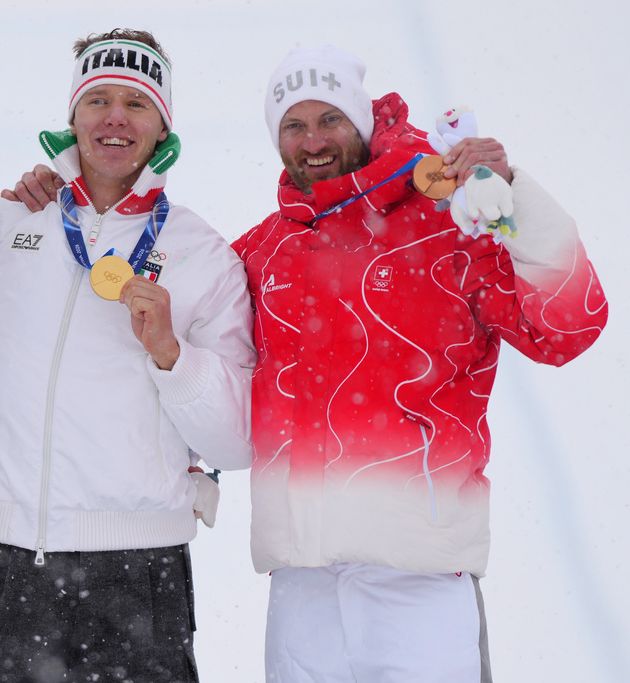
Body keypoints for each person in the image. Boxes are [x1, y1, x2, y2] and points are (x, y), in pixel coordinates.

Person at [232, 46, 608, 682]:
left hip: (419, 574)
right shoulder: (264, 248)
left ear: (362, 123)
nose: (313, 140)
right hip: (302, 580)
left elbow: (568, 326)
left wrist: (512, 191)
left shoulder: (449, 222)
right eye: (293, 125)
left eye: (331, 119)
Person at [0, 29, 256, 682]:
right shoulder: (6, 220)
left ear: (163, 126)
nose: (114, 118)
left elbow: (236, 444)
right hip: (0, 560)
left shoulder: (205, 255)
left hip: (137, 575)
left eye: (136, 104)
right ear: (73, 118)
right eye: (98, 100)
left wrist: (172, 355)